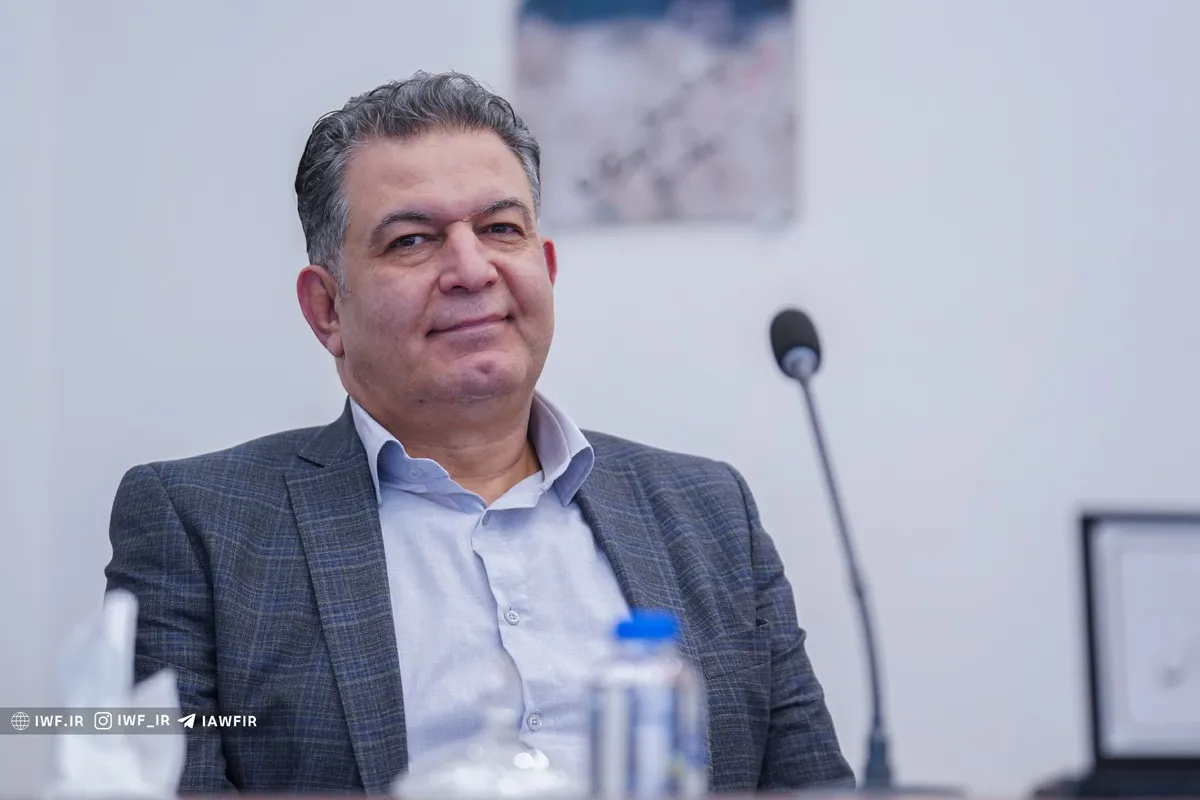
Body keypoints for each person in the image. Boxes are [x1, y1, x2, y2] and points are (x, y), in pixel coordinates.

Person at [105, 71, 853, 794]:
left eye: (500, 229)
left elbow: (812, 786)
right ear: (327, 309)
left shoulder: (709, 511)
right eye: (412, 240)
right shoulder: (200, 526)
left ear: (545, 268)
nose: (472, 269)